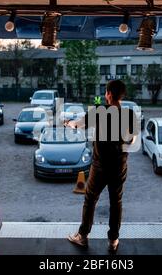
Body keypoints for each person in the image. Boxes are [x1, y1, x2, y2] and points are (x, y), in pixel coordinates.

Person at [65, 80, 139, 252]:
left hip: (100, 167)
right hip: (119, 166)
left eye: (106, 92)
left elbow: (78, 125)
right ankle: (113, 240)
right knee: (116, 201)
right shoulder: (129, 114)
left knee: (90, 199)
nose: (105, 95)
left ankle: (82, 236)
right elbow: (132, 140)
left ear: (109, 95)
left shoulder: (99, 111)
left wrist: (68, 123)